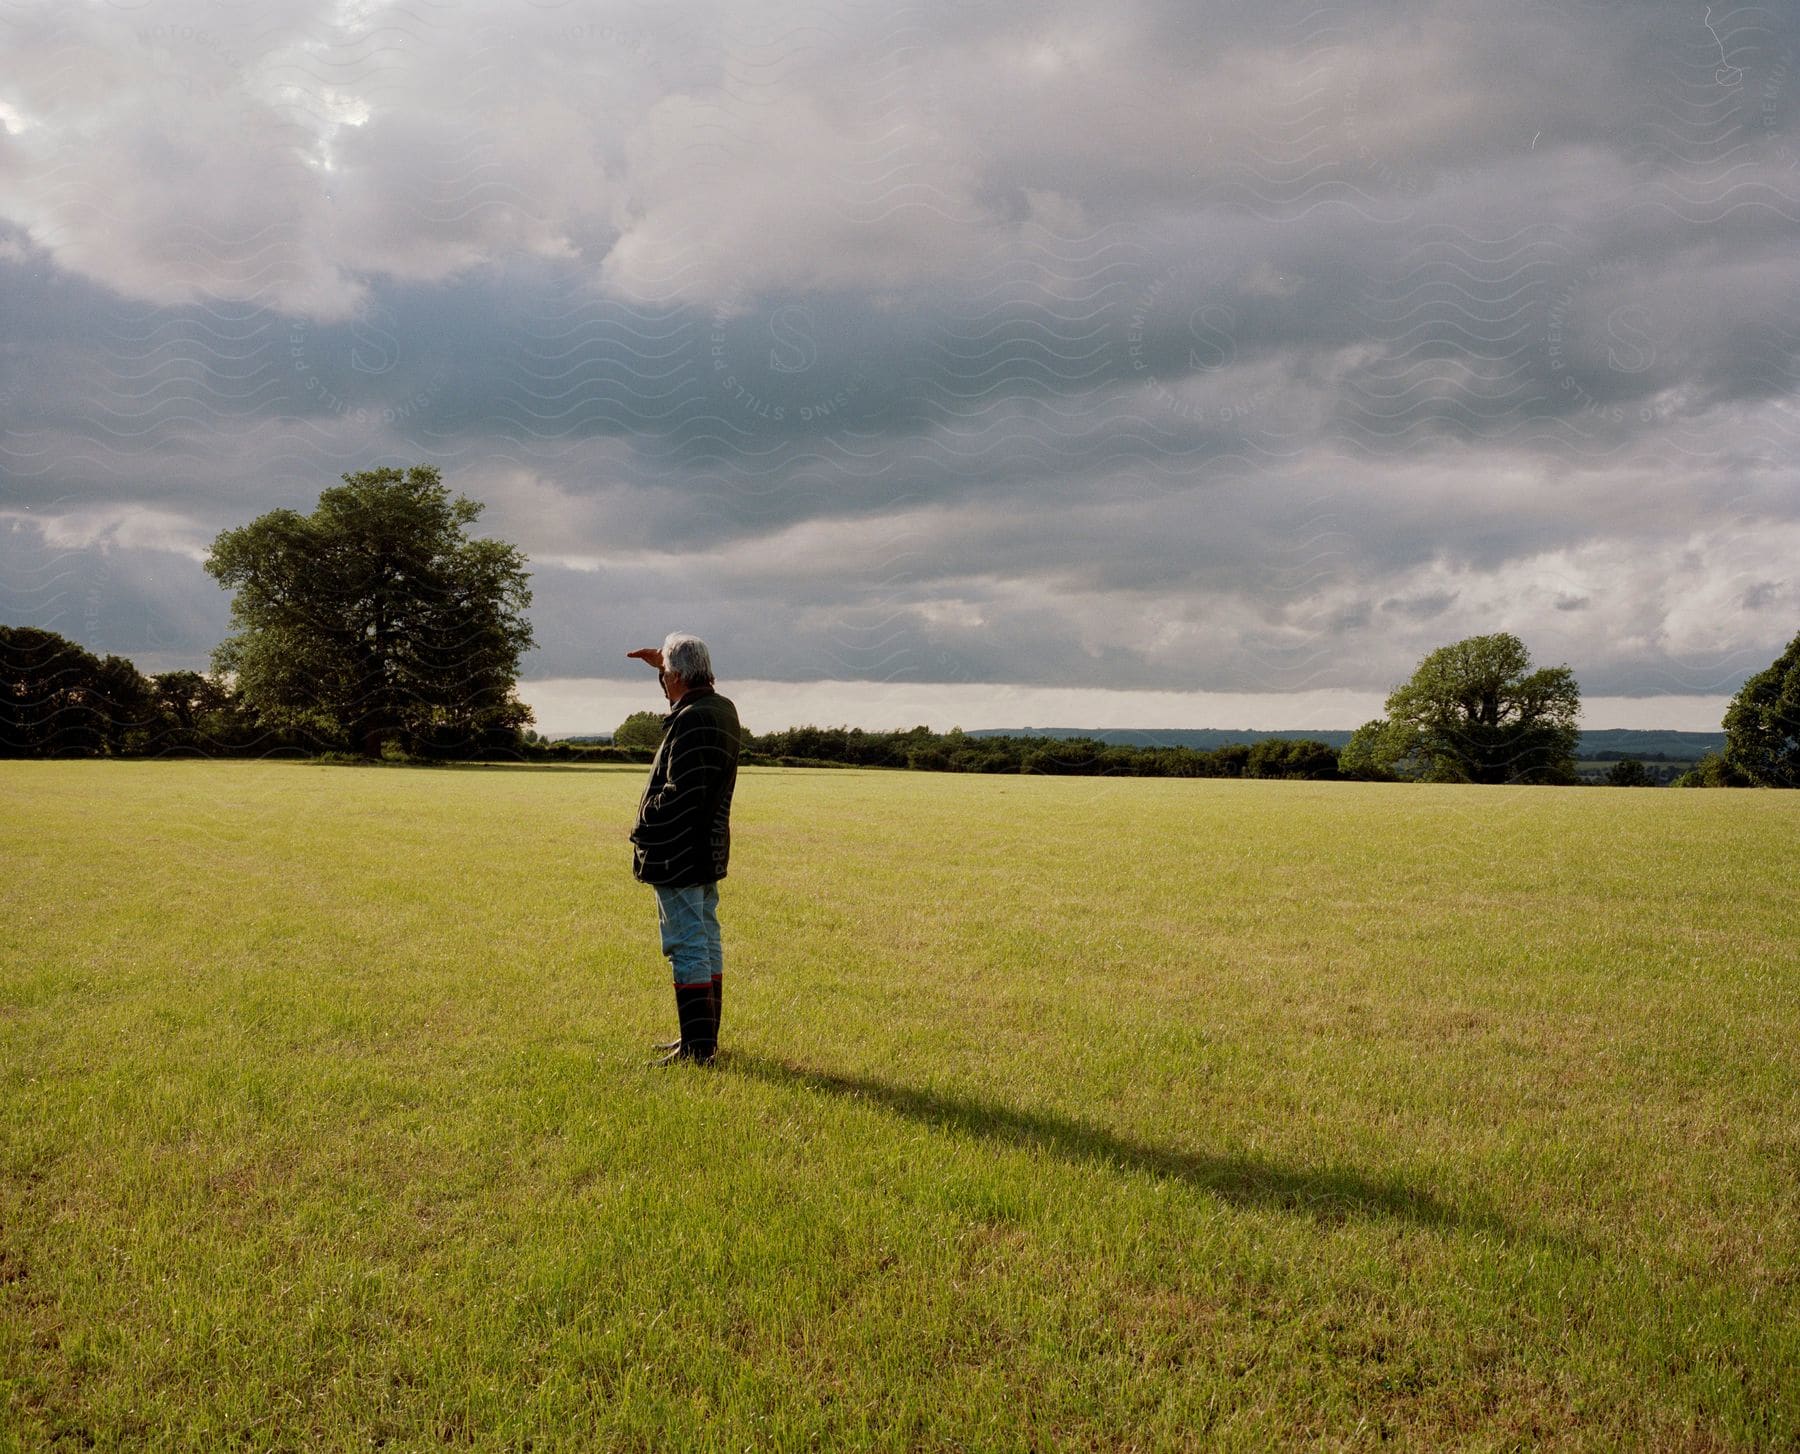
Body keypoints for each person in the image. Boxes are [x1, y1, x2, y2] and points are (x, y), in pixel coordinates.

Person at [626, 633, 742, 1065]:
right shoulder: (720, 709)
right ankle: (701, 1042)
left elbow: (681, 794)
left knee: (687, 943)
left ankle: (697, 1050)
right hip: (705, 849)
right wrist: (665, 663)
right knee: (705, 939)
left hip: (678, 850)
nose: (663, 682)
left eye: (665, 675)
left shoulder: (693, 718)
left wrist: (644, 824)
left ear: (676, 677)